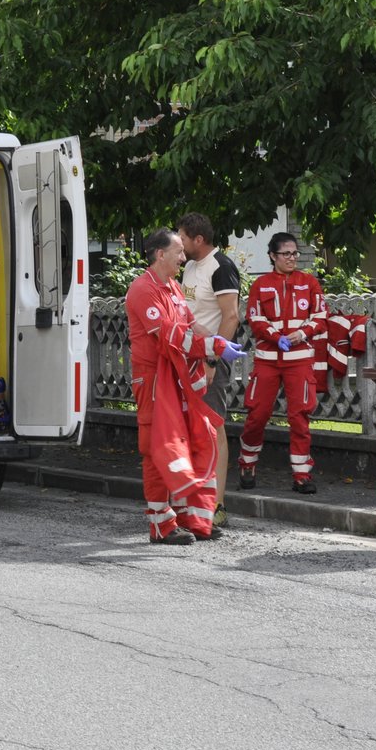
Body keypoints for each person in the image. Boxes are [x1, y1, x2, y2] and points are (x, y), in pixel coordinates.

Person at [125, 229, 245, 544]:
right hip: (153, 380)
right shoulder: (142, 290)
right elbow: (169, 335)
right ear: (159, 254)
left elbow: (191, 325)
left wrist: (219, 340)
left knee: (186, 443)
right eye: (178, 251)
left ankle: (184, 519)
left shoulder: (174, 288)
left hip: (176, 377)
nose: (183, 257)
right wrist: (213, 349)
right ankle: (160, 525)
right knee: (156, 448)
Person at [239, 232, 328, 493]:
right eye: (286, 254)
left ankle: (302, 474)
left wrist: (302, 334)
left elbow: (321, 316)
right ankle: (247, 462)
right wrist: (275, 337)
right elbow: (255, 318)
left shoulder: (309, 282)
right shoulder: (261, 284)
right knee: (257, 414)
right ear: (272, 256)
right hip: (268, 359)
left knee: (299, 416)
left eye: (295, 253)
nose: (292, 258)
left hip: (299, 359)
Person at [178, 212, 241, 524]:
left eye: (184, 238)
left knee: (213, 426)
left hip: (209, 361)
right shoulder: (190, 267)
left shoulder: (221, 267)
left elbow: (231, 317)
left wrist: (213, 359)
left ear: (198, 240)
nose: (181, 243)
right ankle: (196, 499)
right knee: (192, 428)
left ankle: (217, 506)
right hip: (189, 357)